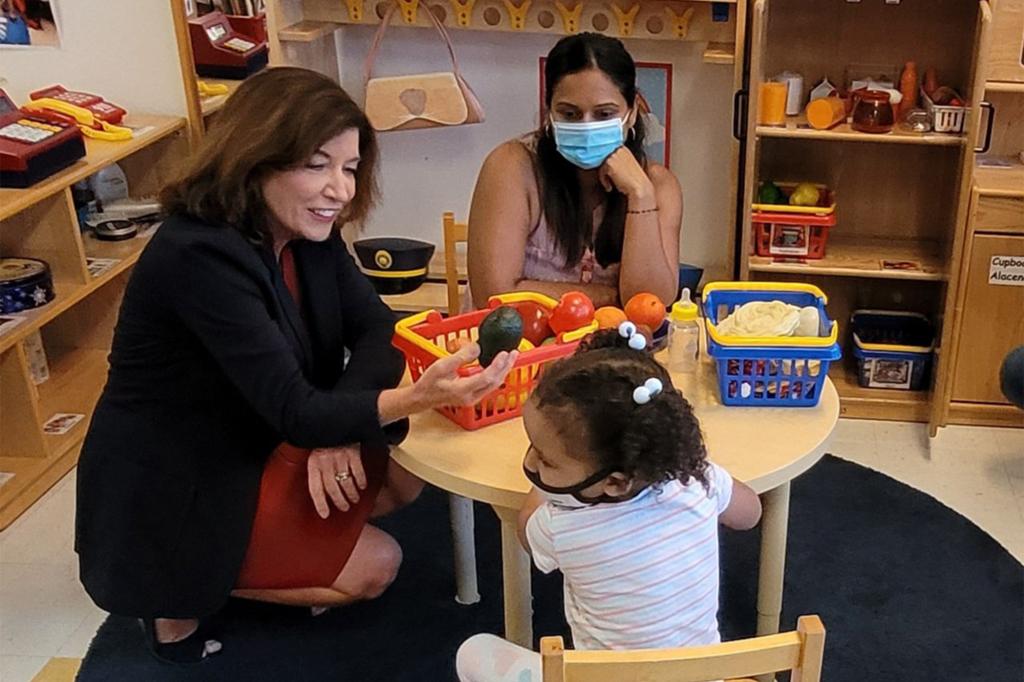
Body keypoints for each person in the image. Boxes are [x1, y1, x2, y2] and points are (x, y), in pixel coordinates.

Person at [74, 67, 516, 665]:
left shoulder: (307, 234)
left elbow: (378, 328)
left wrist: (334, 428)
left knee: (402, 475)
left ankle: (246, 556)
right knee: (378, 566)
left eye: (350, 168)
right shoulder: (196, 254)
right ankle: (175, 588)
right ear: (256, 159)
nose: (340, 189)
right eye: (317, 165)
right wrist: (409, 400)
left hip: (260, 437)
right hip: (179, 483)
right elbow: (296, 408)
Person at [455, 324, 762, 681]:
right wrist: (697, 470)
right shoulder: (697, 480)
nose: (532, 463)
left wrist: (546, 491)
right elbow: (750, 513)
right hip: (704, 677)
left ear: (615, 482)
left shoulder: (561, 527)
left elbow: (525, 531)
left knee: (473, 651)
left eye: (544, 458)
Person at [467, 33, 682, 310]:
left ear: (632, 111)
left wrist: (640, 195)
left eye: (604, 114)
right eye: (570, 114)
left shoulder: (657, 185)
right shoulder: (511, 166)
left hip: (611, 350)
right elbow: (495, 295)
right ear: (550, 112)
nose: (586, 126)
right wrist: (608, 297)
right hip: (518, 350)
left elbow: (650, 303)